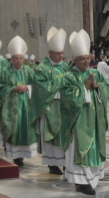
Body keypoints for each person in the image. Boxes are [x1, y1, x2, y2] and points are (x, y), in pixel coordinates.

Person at [60, 29, 109, 195]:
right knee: (80, 149)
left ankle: (89, 179)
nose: (87, 61)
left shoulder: (95, 73)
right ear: (75, 60)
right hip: (78, 121)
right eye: (83, 59)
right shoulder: (68, 77)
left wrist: (97, 86)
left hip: (94, 121)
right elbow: (67, 99)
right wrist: (84, 88)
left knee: (93, 148)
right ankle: (81, 182)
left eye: (88, 58)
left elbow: (106, 89)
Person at [31, 26, 68, 175]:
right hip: (49, 107)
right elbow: (40, 88)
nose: (60, 56)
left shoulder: (65, 66)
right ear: (50, 53)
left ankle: (66, 162)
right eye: (57, 53)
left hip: (65, 108)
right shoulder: (42, 68)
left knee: (66, 135)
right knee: (52, 136)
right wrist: (60, 88)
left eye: (61, 53)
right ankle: (52, 164)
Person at [0, 36, 36, 166]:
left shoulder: (29, 71)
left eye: (20, 58)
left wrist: (28, 88)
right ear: (11, 59)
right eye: (16, 58)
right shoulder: (6, 72)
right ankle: (15, 157)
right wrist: (13, 88)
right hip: (11, 106)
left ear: (23, 59)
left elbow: (36, 85)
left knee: (25, 128)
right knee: (13, 128)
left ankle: (23, 155)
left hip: (26, 107)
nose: (18, 61)